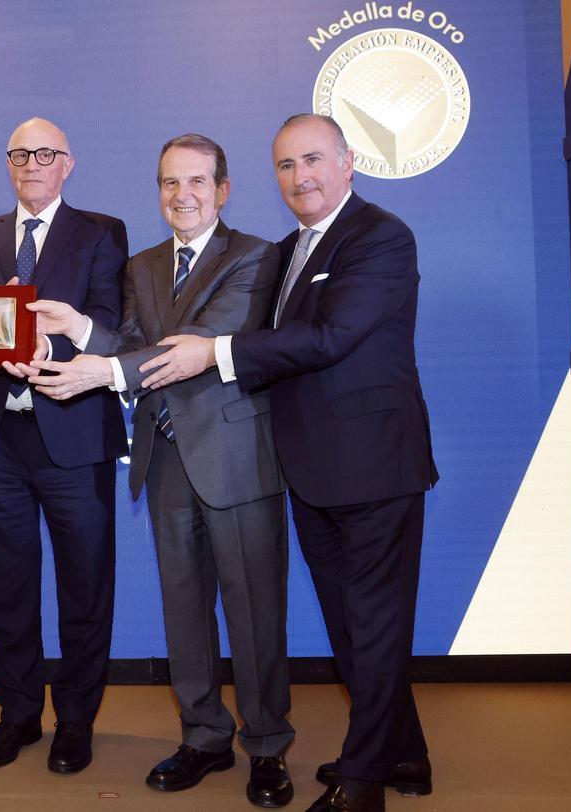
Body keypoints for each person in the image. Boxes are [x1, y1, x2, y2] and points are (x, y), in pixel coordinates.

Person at [137, 114, 437, 812]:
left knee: (376, 622)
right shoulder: (289, 248)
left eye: (313, 161)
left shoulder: (380, 236)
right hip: (310, 468)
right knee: (351, 627)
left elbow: (330, 337)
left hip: (374, 468)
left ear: (347, 162)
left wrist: (213, 352)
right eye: (286, 166)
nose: (301, 177)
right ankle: (404, 754)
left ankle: (363, 785)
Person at [23, 133, 295, 807]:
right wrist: (82, 329)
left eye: (197, 182)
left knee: (254, 614)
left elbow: (193, 349)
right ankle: (204, 737)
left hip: (236, 462)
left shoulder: (256, 258)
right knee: (185, 613)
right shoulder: (144, 264)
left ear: (223, 190)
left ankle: (266, 747)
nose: (183, 195)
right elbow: (136, 345)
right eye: (170, 183)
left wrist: (105, 369)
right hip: (165, 456)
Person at [0, 117, 128, 774]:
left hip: (74, 435)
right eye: (20, 153)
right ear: (7, 164)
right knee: (8, 586)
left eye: (45, 152)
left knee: (86, 585)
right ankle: (18, 714)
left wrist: (52, 343)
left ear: (68, 163)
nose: (32, 163)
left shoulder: (102, 233)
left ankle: (76, 721)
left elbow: (112, 327)